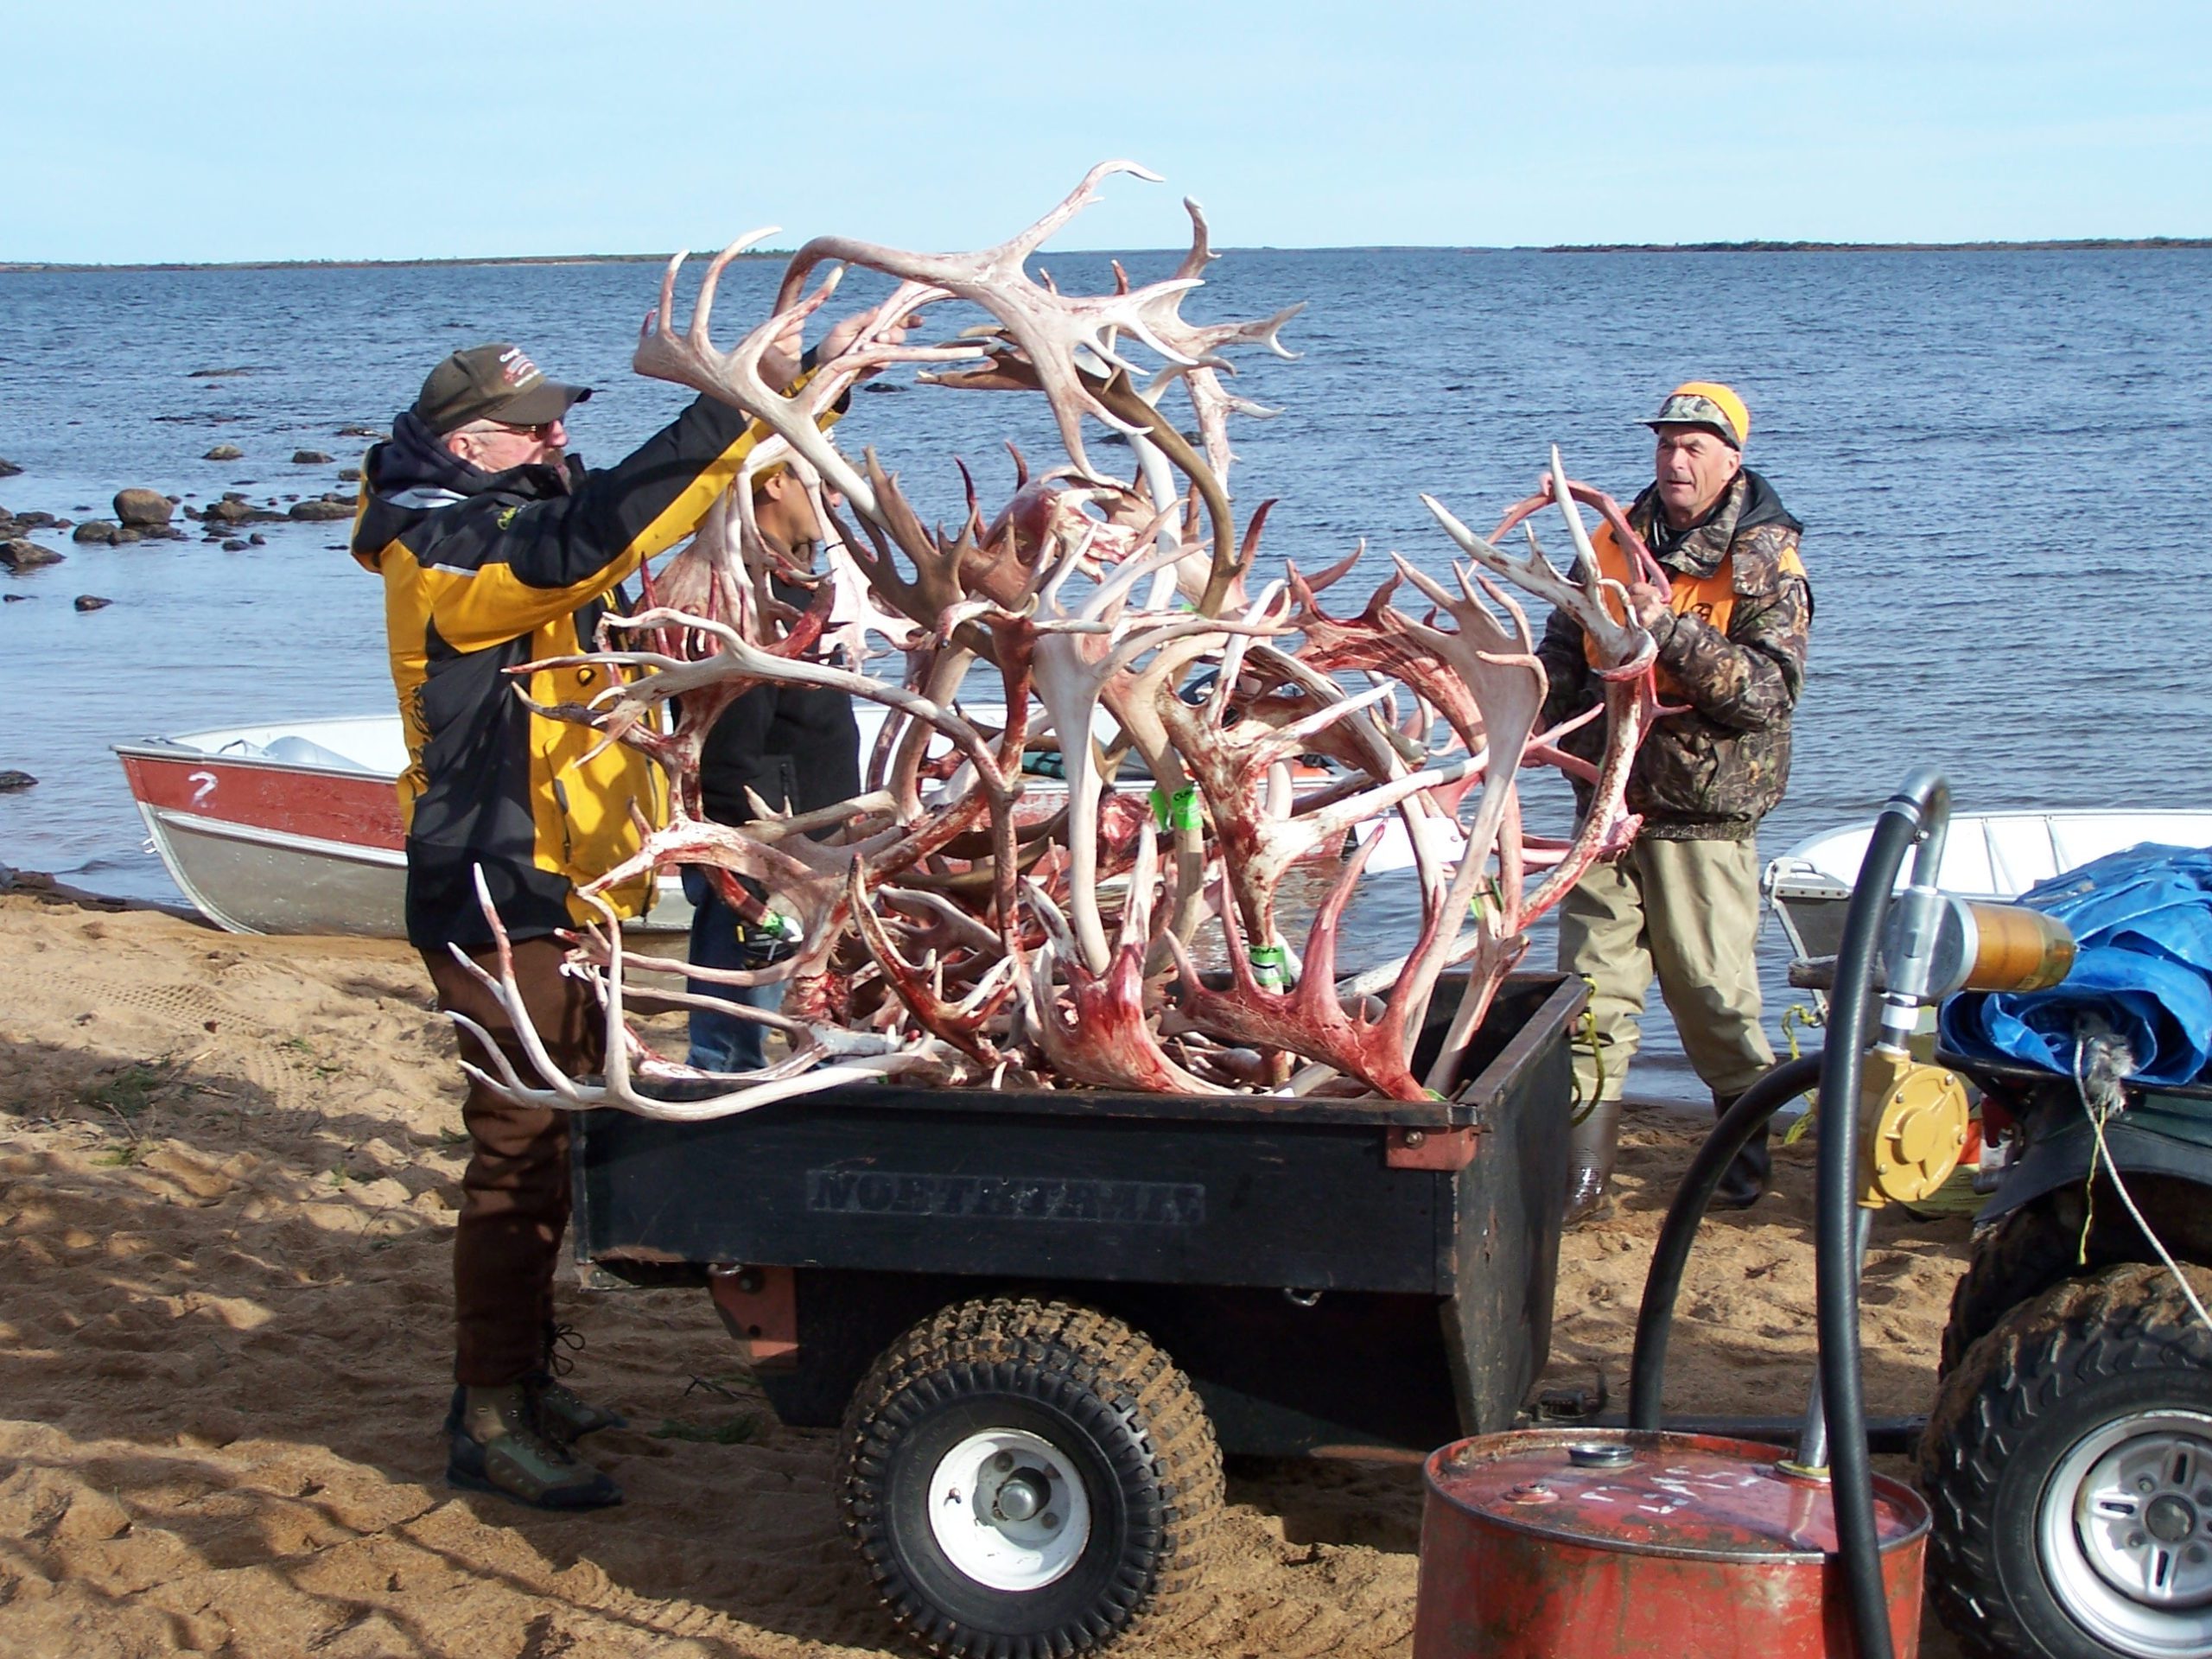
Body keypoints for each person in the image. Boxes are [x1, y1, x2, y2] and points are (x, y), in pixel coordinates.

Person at [353, 338, 804, 1510]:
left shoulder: (510, 513)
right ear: (469, 444)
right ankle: (491, 1418)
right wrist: (721, 413)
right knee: (513, 1155)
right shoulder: (443, 547)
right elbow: (588, 537)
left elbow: (625, 525)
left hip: (571, 889)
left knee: (554, 1145)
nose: (559, 440)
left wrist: (780, 402)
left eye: (558, 424)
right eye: (534, 428)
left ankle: (515, 1385)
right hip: (498, 893)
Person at [1535, 382, 1812, 1223]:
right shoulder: (1608, 542)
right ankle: (1582, 1172)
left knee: (1711, 993)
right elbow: (1559, 658)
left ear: (1733, 457)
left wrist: (1674, 632)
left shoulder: (1766, 558)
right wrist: (1548, 729)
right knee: (1589, 992)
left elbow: (1767, 694)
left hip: (1704, 814)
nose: (1675, 458)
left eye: (1694, 445)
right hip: (1607, 807)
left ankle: (1742, 1161)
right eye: (1665, 443)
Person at [682, 468, 863, 1071]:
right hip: (767, 840)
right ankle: (720, 1101)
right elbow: (729, 736)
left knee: (795, 999)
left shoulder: (795, 577)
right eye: (828, 483)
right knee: (738, 1023)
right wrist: (747, 857)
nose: (840, 497)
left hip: (807, 827)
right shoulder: (745, 586)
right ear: (778, 481)